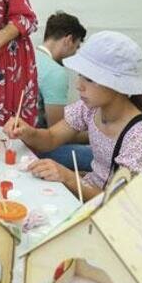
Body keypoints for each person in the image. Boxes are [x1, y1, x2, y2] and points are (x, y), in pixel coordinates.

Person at [6, 31, 142, 200]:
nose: (78, 85)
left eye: (90, 79)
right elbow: (51, 138)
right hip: (89, 195)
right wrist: (27, 132)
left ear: (117, 85)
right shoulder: (90, 109)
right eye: (81, 75)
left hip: (114, 213)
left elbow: (118, 203)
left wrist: (67, 176)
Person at [34, 11, 92, 170]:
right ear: (68, 40)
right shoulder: (55, 72)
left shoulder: (30, 56)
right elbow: (56, 134)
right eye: (77, 46)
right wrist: (95, 136)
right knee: (102, 156)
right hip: (37, 148)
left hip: (21, 139)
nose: (75, 53)